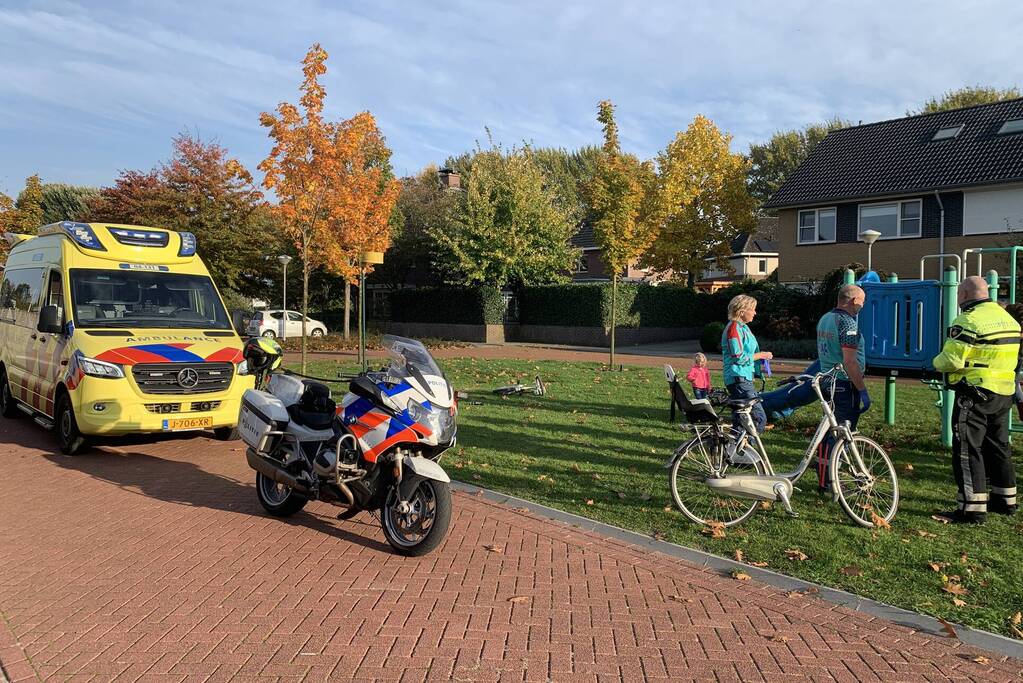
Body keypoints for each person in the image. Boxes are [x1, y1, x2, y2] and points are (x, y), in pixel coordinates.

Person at [932, 276, 1020, 523]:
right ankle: (1006, 501)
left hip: (974, 393)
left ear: (963, 294)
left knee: (968, 449)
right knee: (999, 446)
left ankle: (972, 508)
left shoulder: (968, 320)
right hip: (1003, 392)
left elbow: (952, 360)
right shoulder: (1008, 319)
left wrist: (933, 363)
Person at [815, 284, 869, 490]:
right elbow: (850, 361)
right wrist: (862, 389)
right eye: (862, 301)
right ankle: (831, 481)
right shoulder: (848, 323)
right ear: (854, 300)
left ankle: (824, 477)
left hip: (827, 381)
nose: (862, 305)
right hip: (844, 383)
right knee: (842, 434)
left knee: (829, 431)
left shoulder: (826, 318)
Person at [721, 294, 772, 435]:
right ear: (742, 311)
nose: (755, 313)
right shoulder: (733, 329)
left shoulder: (743, 328)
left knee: (741, 420)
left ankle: (733, 453)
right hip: (738, 379)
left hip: (743, 378)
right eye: (753, 309)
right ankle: (743, 451)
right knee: (758, 418)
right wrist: (761, 355)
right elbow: (738, 357)